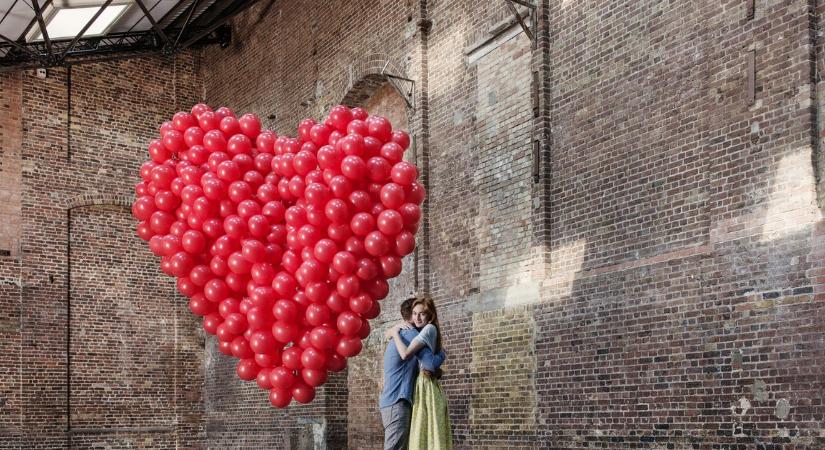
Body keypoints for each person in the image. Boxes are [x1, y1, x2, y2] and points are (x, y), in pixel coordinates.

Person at [380, 297, 446, 450]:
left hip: (392, 402)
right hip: (397, 402)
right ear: (412, 315)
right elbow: (430, 363)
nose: (419, 317)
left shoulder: (401, 334)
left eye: (422, 313)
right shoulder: (410, 335)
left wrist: (391, 331)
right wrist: (443, 353)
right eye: (416, 313)